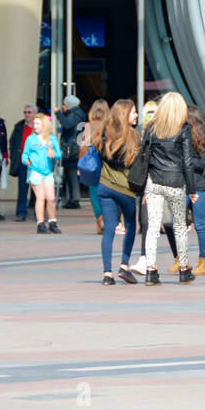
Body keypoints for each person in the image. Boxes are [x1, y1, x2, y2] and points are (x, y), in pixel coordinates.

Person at [139, 91, 199, 285]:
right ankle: (184, 269)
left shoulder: (152, 128)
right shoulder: (183, 129)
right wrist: (192, 188)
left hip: (154, 181)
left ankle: (150, 270)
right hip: (176, 182)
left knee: (153, 227)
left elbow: (144, 155)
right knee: (180, 226)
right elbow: (188, 162)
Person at [96, 100, 141, 284]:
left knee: (109, 229)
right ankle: (124, 265)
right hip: (125, 189)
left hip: (105, 186)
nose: (136, 115)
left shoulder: (103, 133)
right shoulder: (134, 137)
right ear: (124, 115)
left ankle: (107, 273)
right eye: (133, 112)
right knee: (130, 225)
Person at [184, 105, 205, 276]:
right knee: (177, 223)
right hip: (186, 186)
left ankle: (204, 261)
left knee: (200, 224)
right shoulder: (184, 135)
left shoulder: (204, 137)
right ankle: (181, 259)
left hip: (199, 186)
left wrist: (187, 162)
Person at [22, 112, 62, 234]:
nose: (35, 126)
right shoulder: (31, 139)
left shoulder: (52, 139)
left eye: (38, 123)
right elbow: (25, 154)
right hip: (35, 171)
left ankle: (52, 222)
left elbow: (59, 154)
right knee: (40, 198)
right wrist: (26, 161)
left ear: (44, 125)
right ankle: (40, 224)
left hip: (47, 172)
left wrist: (54, 154)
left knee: (51, 198)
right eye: (34, 123)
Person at [77, 99, 110, 234]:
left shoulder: (89, 126)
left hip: (92, 161)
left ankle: (100, 217)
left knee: (94, 191)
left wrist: (81, 165)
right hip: (107, 162)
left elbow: (83, 147)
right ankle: (108, 217)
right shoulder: (110, 125)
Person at [56, 94, 87, 209]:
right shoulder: (79, 114)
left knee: (71, 173)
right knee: (70, 174)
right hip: (75, 146)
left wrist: (58, 113)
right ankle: (72, 199)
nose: (63, 107)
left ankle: (74, 199)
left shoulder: (74, 115)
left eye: (64, 105)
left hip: (71, 148)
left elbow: (67, 124)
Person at [8, 104, 37, 220]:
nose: (26, 114)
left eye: (29, 112)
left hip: (37, 163)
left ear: (35, 113)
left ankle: (38, 212)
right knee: (22, 189)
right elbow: (13, 141)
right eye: (25, 112)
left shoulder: (40, 126)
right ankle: (21, 212)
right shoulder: (19, 126)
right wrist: (13, 155)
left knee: (37, 189)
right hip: (23, 162)